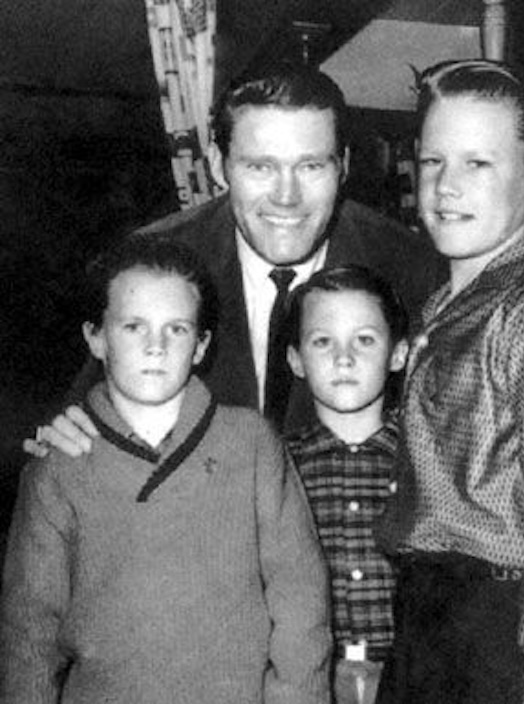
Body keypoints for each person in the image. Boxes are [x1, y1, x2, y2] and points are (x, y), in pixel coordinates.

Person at [26, 65, 436, 458]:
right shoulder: (151, 264)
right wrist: (68, 436)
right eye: (261, 167)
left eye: (310, 166)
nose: (286, 197)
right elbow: (85, 418)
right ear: (218, 165)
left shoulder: (413, 271)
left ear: (343, 164)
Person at [374, 59, 524, 704]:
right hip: (424, 627)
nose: (446, 186)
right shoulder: (436, 309)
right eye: (433, 162)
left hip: (496, 634)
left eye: (477, 164)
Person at [1, 236, 331, 704]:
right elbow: (29, 632)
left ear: (200, 346)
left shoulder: (251, 443)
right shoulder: (58, 467)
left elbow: (300, 599)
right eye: (134, 326)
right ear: (95, 337)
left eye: (176, 329)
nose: (155, 346)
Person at [284, 265, 408, 704]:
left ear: (398, 353)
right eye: (322, 341)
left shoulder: (422, 460)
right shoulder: (275, 464)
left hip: (408, 678)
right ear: (296, 359)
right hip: (310, 681)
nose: (344, 357)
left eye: (365, 339)